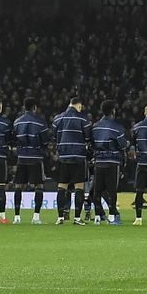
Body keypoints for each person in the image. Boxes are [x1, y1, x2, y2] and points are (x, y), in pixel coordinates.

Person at [51, 95, 91, 225]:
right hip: (78, 158)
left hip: (63, 158)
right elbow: (88, 137)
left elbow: (53, 136)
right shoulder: (83, 119)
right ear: (79, 106)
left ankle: (60, 217)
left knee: (62, 187)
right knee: (79, 187)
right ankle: (77, 218)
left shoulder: (58, 118)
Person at [11, 99, 50, 224]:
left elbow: (13, 139)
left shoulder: (17, 122)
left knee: (18, 186)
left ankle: (17, 217)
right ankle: (36, 217)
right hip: (35, 158)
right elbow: (45, 141)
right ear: (35, 107)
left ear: (24, 107)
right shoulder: (40, 122)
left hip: (22, 158)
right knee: (39, 186)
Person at [89, 102, 127, 225]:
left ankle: (98, 216)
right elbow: (122, 145)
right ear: (113, 111)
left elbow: (91, 144)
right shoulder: (117, 127)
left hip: (99, 162)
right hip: (112, 162)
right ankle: (112, 216)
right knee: (112, 191)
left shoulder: (95, 127)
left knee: (97, 191)